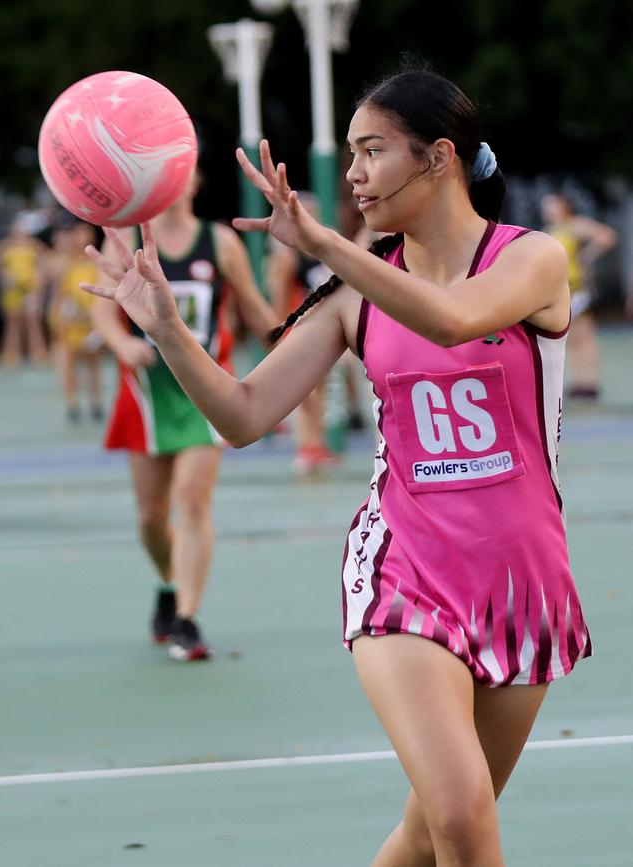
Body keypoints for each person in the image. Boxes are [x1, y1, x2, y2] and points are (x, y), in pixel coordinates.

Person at [82, 67, 592, 864]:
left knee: (427, 834)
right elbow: (246, 414)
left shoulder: (530, 262)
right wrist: (165, 331)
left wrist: (323, 244)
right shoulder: (349, 299)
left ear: (439, 158)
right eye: (348, 153)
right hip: (407, 571)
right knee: (461, 818)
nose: (352, 173)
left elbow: (456, 320)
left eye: (372, 150)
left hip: (523, 579)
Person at [92, 169, 276, 662]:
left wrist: (299, 357)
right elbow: (99, 311)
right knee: (152, 519)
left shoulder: (220, 243)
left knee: (192, 500)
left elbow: (259, 314)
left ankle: (188, 620)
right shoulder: (126, 241)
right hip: (147, 395)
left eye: (182, 175)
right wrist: (121, 342)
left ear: (195, 181)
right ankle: (169, 583)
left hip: (204, 394)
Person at [266, 192, 338, 473]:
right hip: (298, 328)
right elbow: (280, 298)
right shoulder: (288, 258)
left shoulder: (323, 247)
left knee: (319, 389)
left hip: (321, 328)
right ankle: (306, 446)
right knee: (305, 392)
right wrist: (281, 333)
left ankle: (315, 444)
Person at [541, 192, 617, 399]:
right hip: (562, 290)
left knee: (584, 335)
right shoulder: (549, 231)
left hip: (577, 289)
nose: (547, 209)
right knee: (572, 338)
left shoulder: (574, 225)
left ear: (564, 206)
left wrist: (587, 256)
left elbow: (607, 236)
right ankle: (579, 382)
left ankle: (590, 382)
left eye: (551, 205)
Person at [46, 217, 105, 422]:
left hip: (90, 322)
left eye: (83, 232)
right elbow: (57, 295)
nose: (78, 237)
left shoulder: (97, 261)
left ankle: (96, 402)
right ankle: (72, 404)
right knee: (66, 365)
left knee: (93, 364)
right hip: (67, 323)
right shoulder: (60, 261)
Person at [0, 212, 49, 367]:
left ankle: (38, 352)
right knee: (12, 323)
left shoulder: (35, 246)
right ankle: (11, 354)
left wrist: (39, 281)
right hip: (13, 291)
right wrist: (1, 277)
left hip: (30, 290)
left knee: (33, 321)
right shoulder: (5, 245)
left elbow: (45, 263)